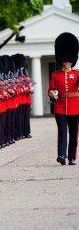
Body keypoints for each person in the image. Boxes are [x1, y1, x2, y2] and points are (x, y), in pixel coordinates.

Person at [48, 32, 79, 166]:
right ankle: (61, 155)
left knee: (73, 134)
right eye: (64, 61)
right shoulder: (55, 75)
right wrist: (52, 93)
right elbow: (50, 90)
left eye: (68, 61)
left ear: (72, 60)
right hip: (60, 107)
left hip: (75, 107)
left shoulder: (77, 74)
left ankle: (72, 157)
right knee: (62, 131)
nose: (66, 63)